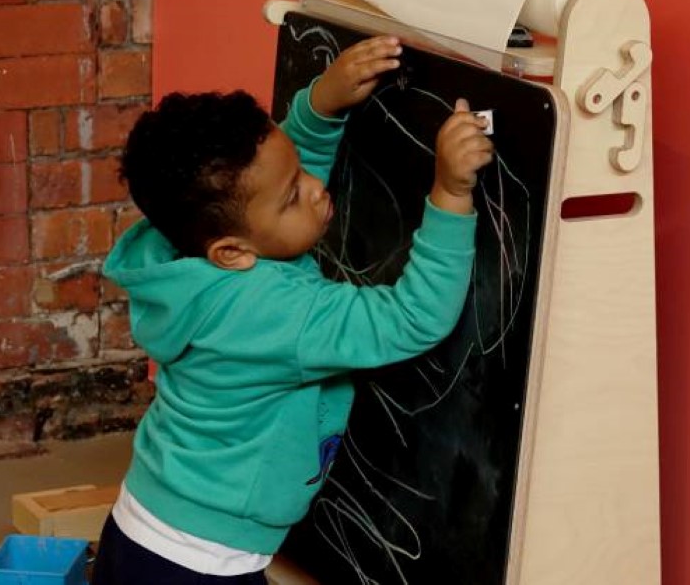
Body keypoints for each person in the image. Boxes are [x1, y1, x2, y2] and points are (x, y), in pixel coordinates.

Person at [92, 36, 493, 585]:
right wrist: (450, 193)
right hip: (204, 563)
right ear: (232, 252)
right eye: (293, 195)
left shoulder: (183, 255)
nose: (314, 190)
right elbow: (411, 318)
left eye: (302, 169)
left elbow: (263, 193)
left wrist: (320, 106)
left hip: (145, 527)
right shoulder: (271, 312)